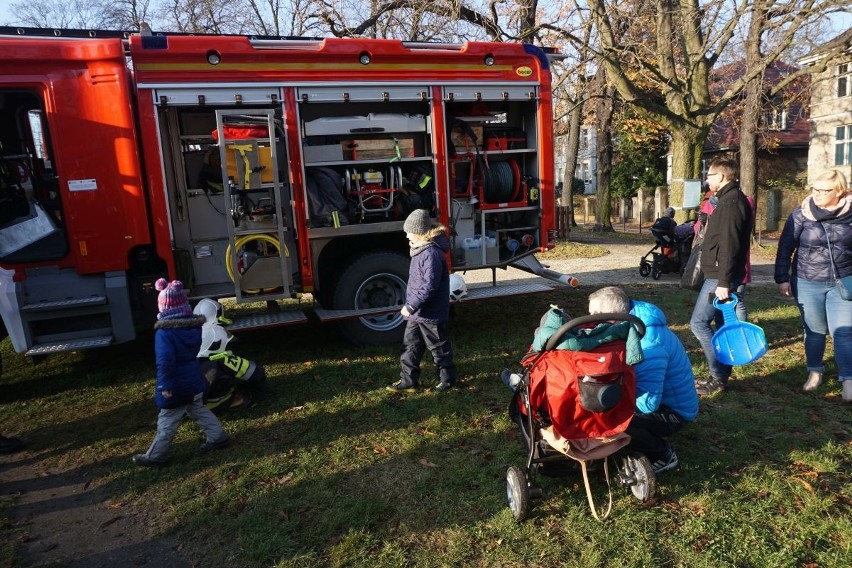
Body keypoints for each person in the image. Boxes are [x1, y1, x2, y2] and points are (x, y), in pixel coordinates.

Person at [588, 287, 698, 474]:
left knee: (615, 419)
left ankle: (662, 454)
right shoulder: (632, 324)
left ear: (611, 316)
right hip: (663, 398)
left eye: (594, 316)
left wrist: (611, 406)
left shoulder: (649, 345)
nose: (591, 323)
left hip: (674, 413)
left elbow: (648, 404)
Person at [133, 279, 230, 467]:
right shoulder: (193, 327)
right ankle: (218, 437)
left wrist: (165, 386)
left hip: (176, 384)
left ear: (163, 307)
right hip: (194, 379)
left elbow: (165, 362)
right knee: (198, 409)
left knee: (167, 420)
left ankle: (156, 456)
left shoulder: (165, 333)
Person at [774, 169, 852, 402]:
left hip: (844, 283)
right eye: (814, 189)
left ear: (840, 191)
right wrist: (782, 278)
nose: (817, 194)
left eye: (824, 190)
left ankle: (848, 379)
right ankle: (815, 372)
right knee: (815, 332)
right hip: (807, 281)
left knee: (845, 332)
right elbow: (785, 246)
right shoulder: (801, 214)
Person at [689, 157, 753, 395]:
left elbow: (730, 246)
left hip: (720, 278)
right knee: (717, 324)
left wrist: (724, 282)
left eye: (710, 175)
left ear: (722, 176)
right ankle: (721, 377)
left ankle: (718, 376)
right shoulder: (726, 200)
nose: (707, 180)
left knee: (698, 324)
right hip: (718, 275)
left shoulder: (731, 203)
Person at [388, 209, 457, 392]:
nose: (406, 235)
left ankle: (447, 379)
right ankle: (408, 380)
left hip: (431, 313)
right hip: (417, 313)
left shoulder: (432, 254)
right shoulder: (419, 250)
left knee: (439, 347)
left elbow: (429, 286)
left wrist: (411, 305)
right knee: (410, 345)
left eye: (408, 231)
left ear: (419, 232)